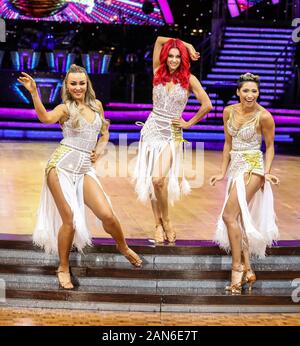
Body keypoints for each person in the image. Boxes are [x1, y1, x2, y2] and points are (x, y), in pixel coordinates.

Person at [18, 64, 142, 290]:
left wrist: (101, 149)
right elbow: (45, 118)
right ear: (67, 85)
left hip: (84, 168)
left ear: (87, 84)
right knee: (70, 220)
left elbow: (104, 133)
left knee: (108, 215)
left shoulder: (97, 106)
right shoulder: (65, 108)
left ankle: (122, 246)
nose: (77, 87)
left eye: (81, 83)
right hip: (61, 167)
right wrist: (34, 93)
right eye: (73, 83)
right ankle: (63, 267)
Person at [134, 36, 212, 244]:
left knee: (159, 179)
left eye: (178, 56)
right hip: (151, 130)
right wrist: (186, 44)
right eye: (170, 55)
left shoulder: (189, 79)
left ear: (183, 59)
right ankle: (157, 223)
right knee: (153, 180)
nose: (173, 60)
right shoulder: (157, 71)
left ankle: (166, 220)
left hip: (172, 133)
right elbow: (158, 39)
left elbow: (207, 105)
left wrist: (189, 123)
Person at [210, 72, 279, 294]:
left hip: (253, 168)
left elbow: (269, 147)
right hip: (235, 167)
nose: (250, 95)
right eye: (246, 91)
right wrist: (222, 172)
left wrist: (266, 173)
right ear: (238, 92)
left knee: (228, 216)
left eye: (254, 91)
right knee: (237, 219)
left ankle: (236, 269)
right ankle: (248, 269)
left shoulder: (264, 116)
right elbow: (227, 144)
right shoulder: (228, 111)